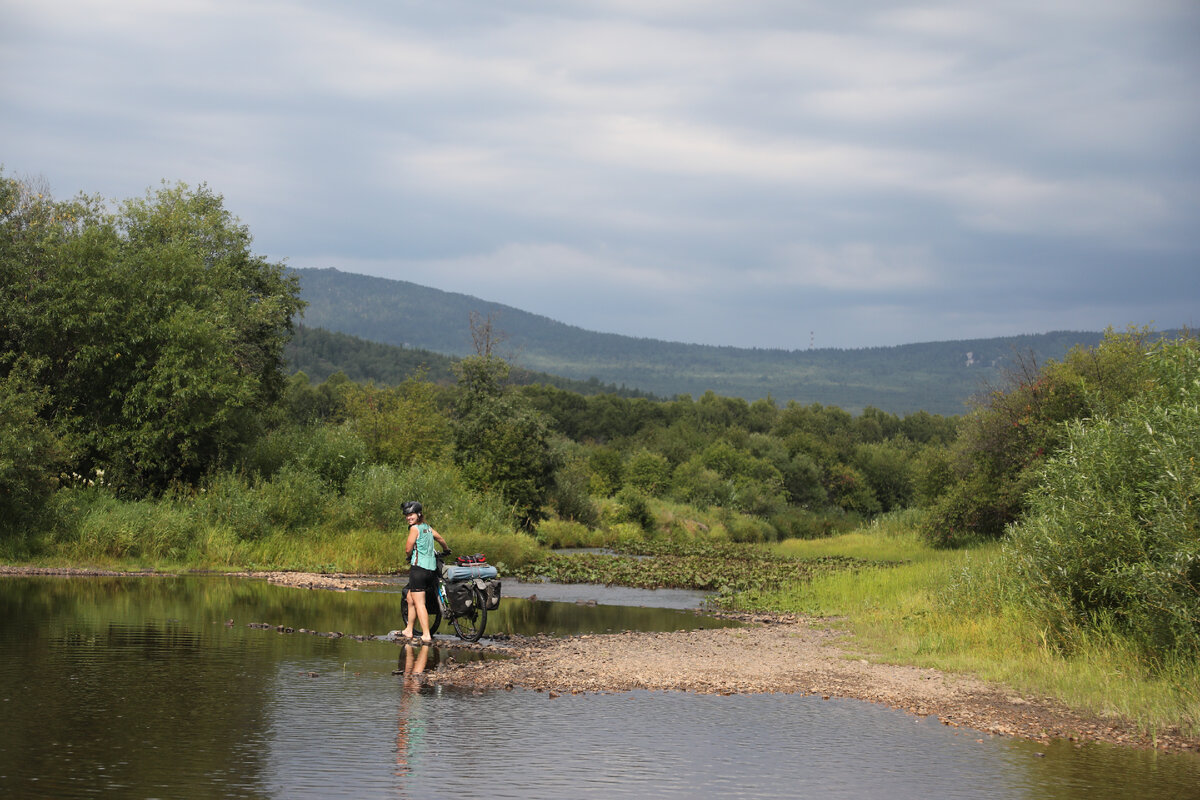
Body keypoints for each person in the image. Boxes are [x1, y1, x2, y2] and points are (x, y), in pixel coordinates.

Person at [399, 500, 448, 644]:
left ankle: (426, 634)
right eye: (407, 516)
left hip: (418, 569)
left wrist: (408, 557)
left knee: (420, 603)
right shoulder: (427, 527)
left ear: (418, 514)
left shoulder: (415, 529)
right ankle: (409, 629)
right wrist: (446, 550)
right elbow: (440, 538)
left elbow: (408, 548)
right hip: (431, 570)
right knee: (410, 597)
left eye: (411, 515)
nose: (409, 518)